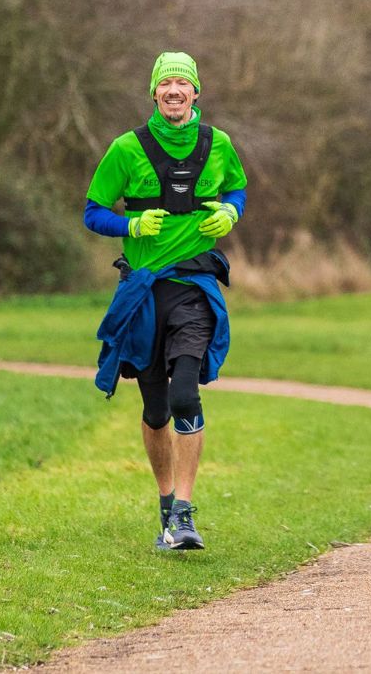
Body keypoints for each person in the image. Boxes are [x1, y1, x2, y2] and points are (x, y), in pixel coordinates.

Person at [84, 51, 247, 551]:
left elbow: (237, 190)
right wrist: (131, 224)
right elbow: (93, 212)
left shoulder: (218, 144)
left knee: (184, 397)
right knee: (155, 410)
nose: (174, 90)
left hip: (194, 288)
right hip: (143, 292)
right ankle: (166, 505)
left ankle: (184, 513)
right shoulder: (126, 148)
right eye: (165, 83)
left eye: (183, 82)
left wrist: (230, 214)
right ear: (154, 92)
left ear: (196, 91)